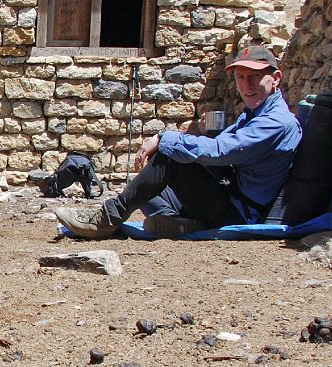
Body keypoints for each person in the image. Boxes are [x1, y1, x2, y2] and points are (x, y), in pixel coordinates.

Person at [55, 45, 302, 239]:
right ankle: (177, 223)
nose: (246, 86)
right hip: (226, 194)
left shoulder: (276, 122)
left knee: (168, 158)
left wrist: (164, 137)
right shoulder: (255, 114)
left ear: (276, 78)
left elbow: (219, 151)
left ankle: (107, 219)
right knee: (148, 188)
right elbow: (226, 148)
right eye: (241, 77)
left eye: (254, 77)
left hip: (238, 212)